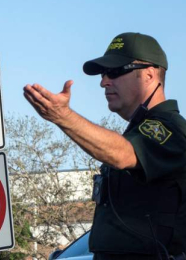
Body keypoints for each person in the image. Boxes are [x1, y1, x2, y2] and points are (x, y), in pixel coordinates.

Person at [24, 32, 186, 260]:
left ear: (149, 74)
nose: (103, 82)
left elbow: (123, 154)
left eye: (115, 71)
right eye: (103, 74)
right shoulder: (138, 132)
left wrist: (62, 116)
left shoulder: (171, 130)